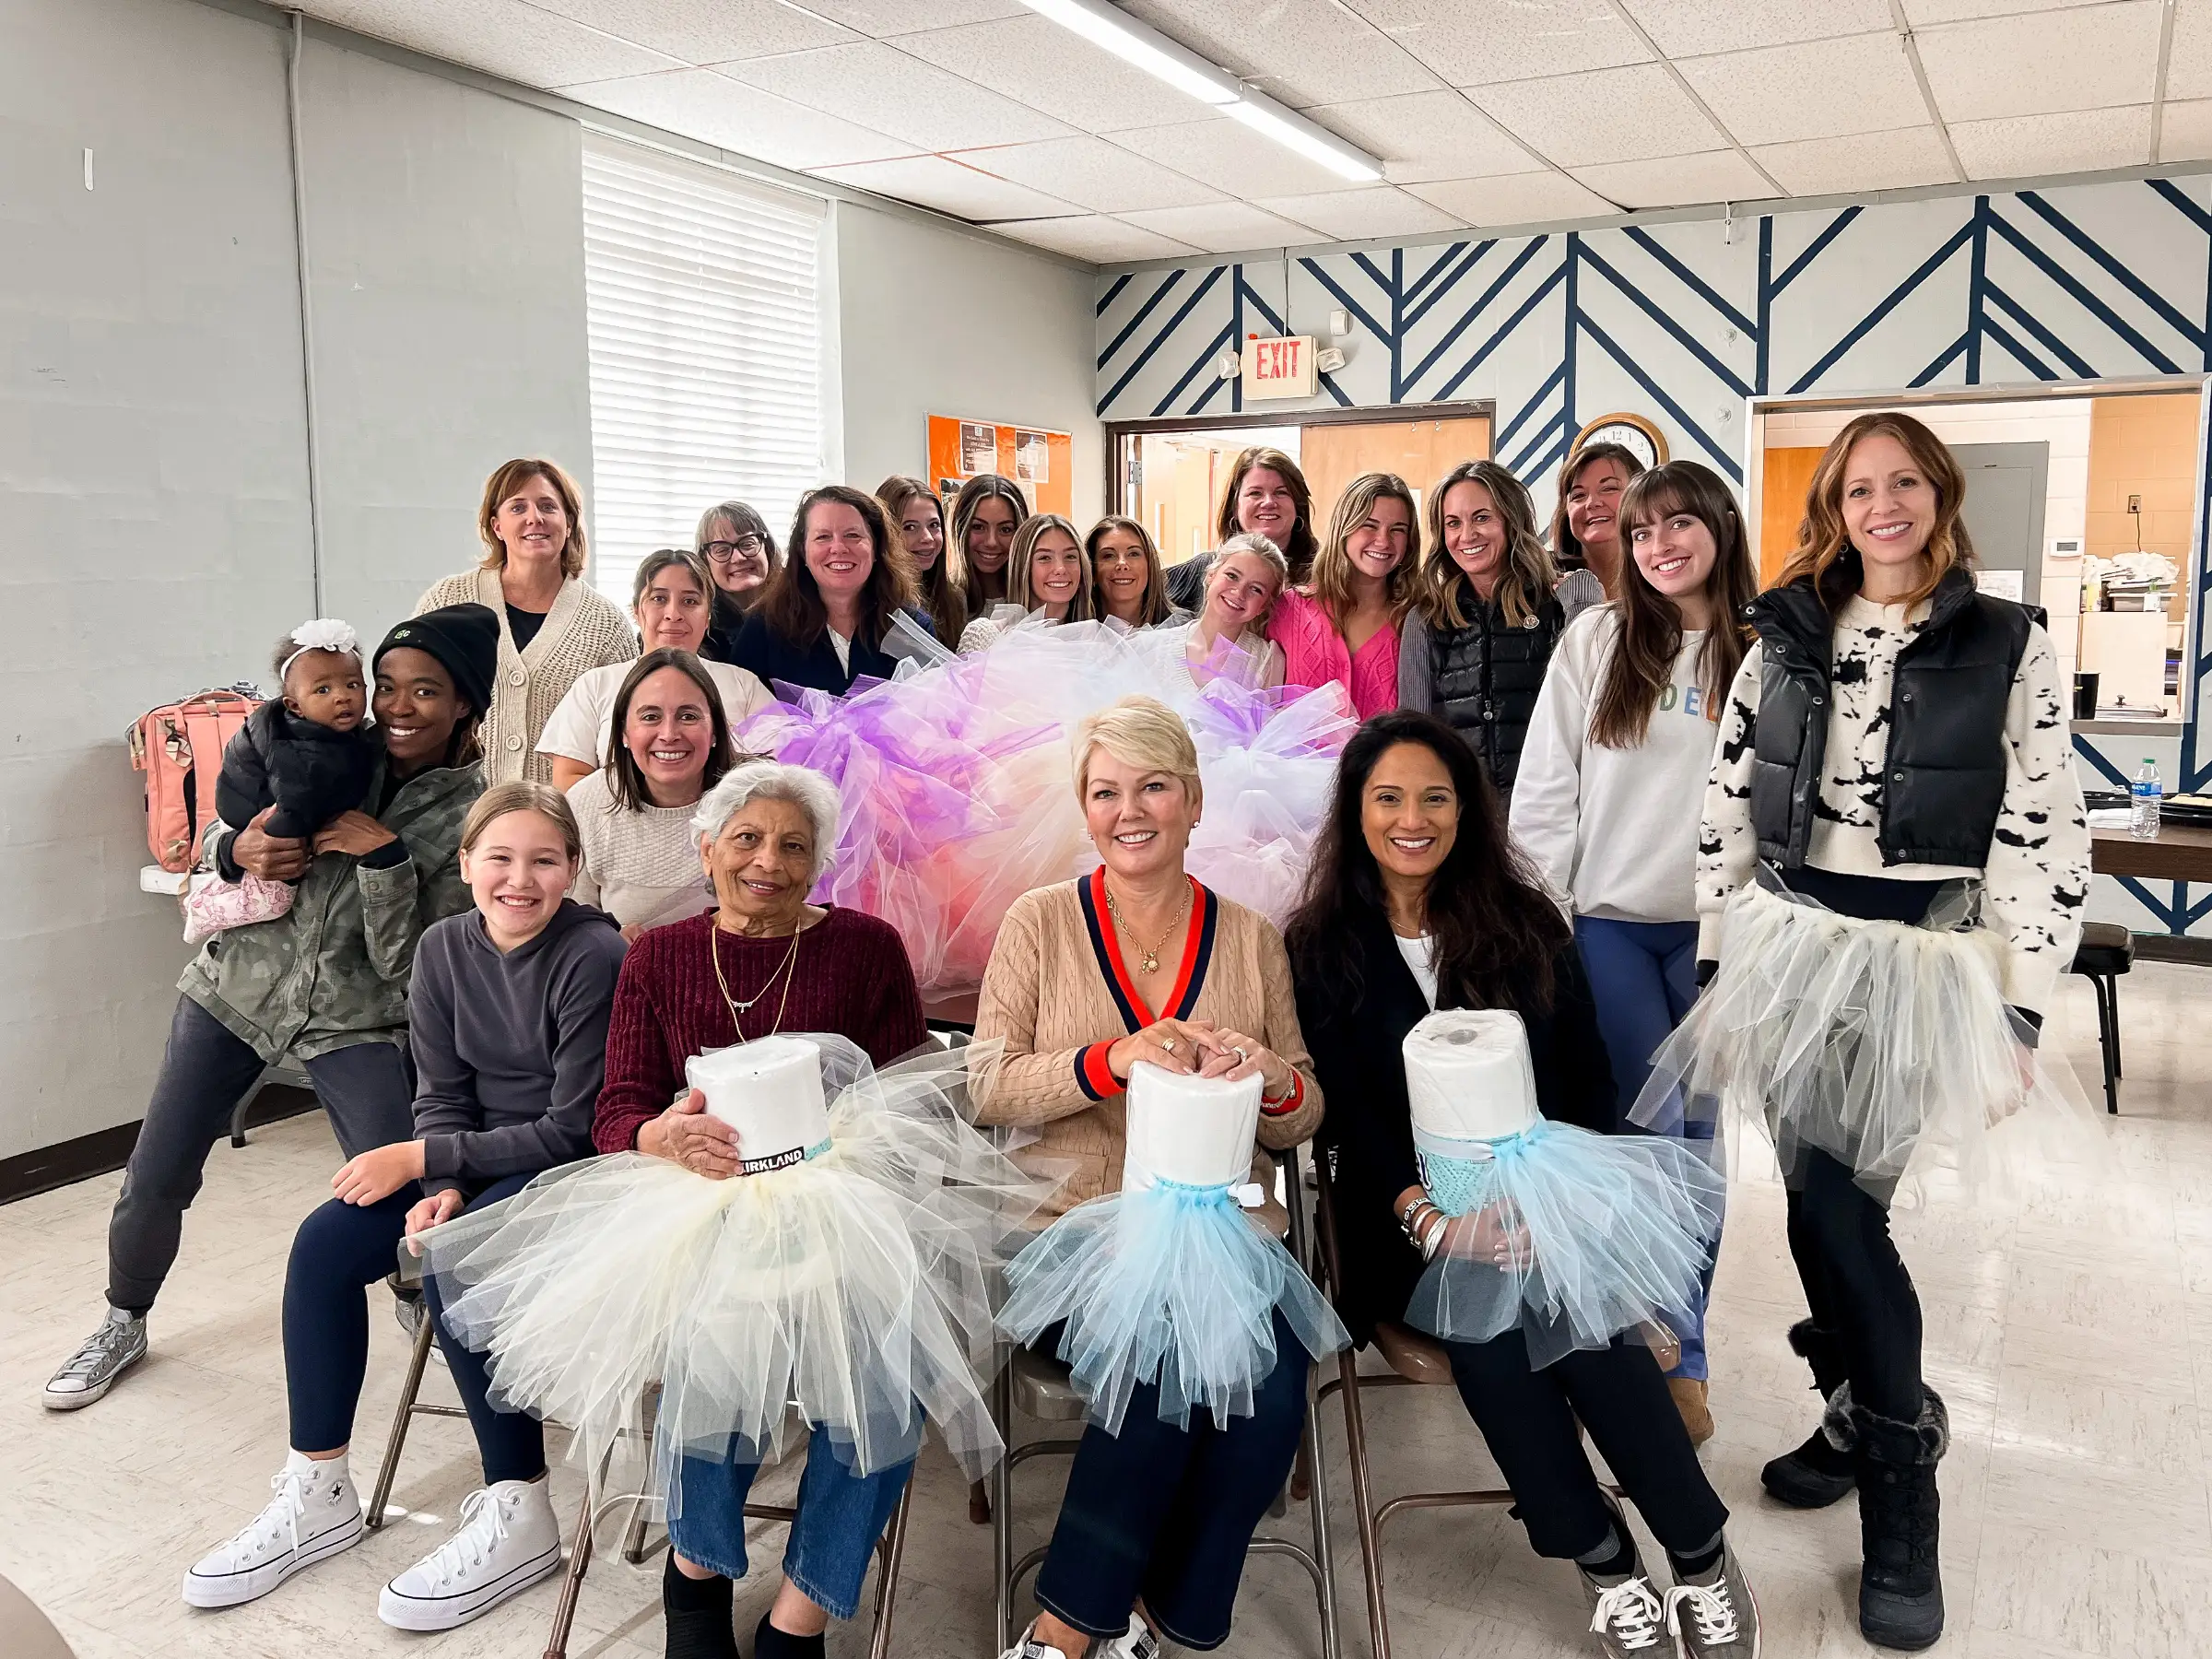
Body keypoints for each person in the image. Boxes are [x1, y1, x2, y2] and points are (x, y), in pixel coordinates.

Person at [1647, 412, 2089, 1651]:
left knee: (1846, 1209)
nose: (1880, 507)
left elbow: (2045, 830)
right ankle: (1858, 1405)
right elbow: (1727, 807)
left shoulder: (2011, 642)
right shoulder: (1783, 633)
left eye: (1902, 485)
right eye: (1856, 490)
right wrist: (1724, 966)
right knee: (1805, 1200)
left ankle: (1903, 1482)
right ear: (1832, 508)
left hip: (1922, 960)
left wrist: (2017, 1003)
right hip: (1790, 951)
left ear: (1940, 496)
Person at [449, 762, 962, 1659]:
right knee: (707, 1360)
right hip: (694, 1204)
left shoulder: (867, 948)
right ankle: (695, 1578)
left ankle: (801, 1615)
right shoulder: (660, 952)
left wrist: (857, 1140)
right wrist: (662, 1137)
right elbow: (616, 1111)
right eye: (747, 840)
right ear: (708, 848)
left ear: (819, 863)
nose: (767, 861)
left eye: (793, 846)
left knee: (886, 1386)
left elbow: (913, 1092)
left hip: (841, 1203)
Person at [1287, 713, 1759, 1659]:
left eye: (1435, 797)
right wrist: (1432, 1221)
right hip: (1404, 1225)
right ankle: (1606, 1560)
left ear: (1467, 810)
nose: (1411, 818)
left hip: (1549, 1199)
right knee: (1495, 1345)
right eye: (1388, 798)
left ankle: (1700, 1555)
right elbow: (1349, 1119)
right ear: (1356, 810)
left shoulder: (1523, 922)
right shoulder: (1319, 945)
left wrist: (1551, 1206)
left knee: (1584, 1333)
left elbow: (1585, 1084)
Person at [177, 783, 625, 1628]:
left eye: (544, 860)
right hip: (473, 1164)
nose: (519, 879)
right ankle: (319, 1490)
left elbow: (573, 1129)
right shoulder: (446, 946)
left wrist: (426, 1162)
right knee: (322, 1245)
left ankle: (521, 1509)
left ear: (573, 868)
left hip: (572, 1173)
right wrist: (440, 1183)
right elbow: (442, 1092)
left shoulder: (592, 955)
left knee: (454, 1261)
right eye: (498, 857)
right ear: (465, 865)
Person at [44, 605, 499, 1410]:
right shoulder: (323, 743)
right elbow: (225, 826)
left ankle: (419, 1305)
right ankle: (124, 1317)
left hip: (357, 1018)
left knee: (398, 1188)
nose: (395, 705)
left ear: (464, 704)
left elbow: (413, 966)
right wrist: (234, 848)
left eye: (425, 692)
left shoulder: (472, 815)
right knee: (156, 1174)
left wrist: (384, 857)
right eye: (384, 685)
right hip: (235, 992)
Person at [975, 697, 1324, 1659]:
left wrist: (1268, 1072)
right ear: (1085, 810)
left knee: (1270, 1399)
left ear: (1194, 801)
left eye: (1153, 786)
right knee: (1168, 1355)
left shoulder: (1251, 936)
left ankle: (1151, 1615)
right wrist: (1111, 1059)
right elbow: (988, 1086)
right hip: (1073, 1231)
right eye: (1105, 791)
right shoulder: (1039, 924)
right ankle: (1072, 1630)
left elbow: (1305, 1111)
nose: (1130, 809)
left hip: (1234, 1234)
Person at [1508, 460, 1759, 1442]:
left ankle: (1680, 1350)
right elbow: (1544, 790)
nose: (1660, 546)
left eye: (1679, 524)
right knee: (1637, 1139)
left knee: (1695, 1145)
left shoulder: (1766, 650)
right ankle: (1641, 1337)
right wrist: (1551, 921)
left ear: (1720, 528)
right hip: (1606, 925)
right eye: (1642, 532)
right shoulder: (1598, 639)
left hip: (1717, 936)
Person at [417, 458, 637, 783]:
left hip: (559, 817)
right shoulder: (448, 601)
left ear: (570, 521)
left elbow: (620, 736)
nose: (535, 518)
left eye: (548, 506)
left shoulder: (606, 623)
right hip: (454, 816)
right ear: (496, 527)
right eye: (518, 508)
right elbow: (412, 694)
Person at [535, 548, 771, 792]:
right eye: (659, 599)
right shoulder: (595, 685)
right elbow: (568, 780)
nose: (673, 614)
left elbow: (781, 770)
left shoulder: (744, 684)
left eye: (689, 601)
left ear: (708, 616)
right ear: (637, 611)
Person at [1396, 459, 1565, 797]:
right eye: (1453, 523)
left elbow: (1584, 714)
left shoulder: (1554, 604)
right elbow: (1415, 733)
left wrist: (1580, 594)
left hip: (1545, 807)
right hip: (1463, 811)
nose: (1467, 535)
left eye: (1482, 518)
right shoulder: (1427, 619)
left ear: (1510, 520)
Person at [571, 649, 737, 937]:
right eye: (650, 716)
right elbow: (568, 922)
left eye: (688, 716)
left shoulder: (757, 802)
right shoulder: (586, 803)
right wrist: (607, 942)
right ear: (623, 732)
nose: (669, 734)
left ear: (714, 732)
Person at [730, 486, 925, 697]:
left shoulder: (911, 625)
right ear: (802, 551)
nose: (838, 548)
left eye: (852, 535)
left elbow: (937, 714)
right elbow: (738, 716)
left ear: (876, 547)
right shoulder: (763, 627)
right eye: (823, 537)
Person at [1267, 471, 1415, 720]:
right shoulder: (1289, 609)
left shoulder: (1415, 620)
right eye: (1369, 525)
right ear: (1343, 528)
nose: (1383, 541)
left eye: (1397, 530)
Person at [1162, 446, 1317, 611]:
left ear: (1298, 505)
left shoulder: (1323, 573)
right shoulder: (1203, 568)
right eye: (1255, 493)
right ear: (1235, 507)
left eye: (1281, 492)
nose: (1269, 502)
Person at [1149, 532, 1288, 697]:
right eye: (1232, 576)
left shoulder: (1266, 660)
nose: (1239, 592)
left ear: (1263, 606)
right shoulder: (1154, 647)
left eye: (1256, 589)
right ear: (1211, 575)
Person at [959, 514, 1093, 653]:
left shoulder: (1099, 640)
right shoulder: (985, 636)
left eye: (1070, 556)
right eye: (1045, 558)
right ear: (1023, 567)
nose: (1061, 569)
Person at [1551, 442, 1646, 624]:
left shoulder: (1668, 580)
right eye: (1578, 495)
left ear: (1641, 496)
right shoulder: (1541, 586)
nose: (1592, 503)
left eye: (1609, 488)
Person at [878, 474, 966, 647]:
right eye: (910, 527)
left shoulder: (954, 599)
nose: (927, 538)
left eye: (934, 525)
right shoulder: (872, 603)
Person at [696, 500, 782, 663]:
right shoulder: (700, 631)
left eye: (747, 544)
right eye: (722, 549)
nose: (739, 558)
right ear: (705, 562)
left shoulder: (804, 607)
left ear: (767, 548)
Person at [951, 473, 1029, 620]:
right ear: (960, 529)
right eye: (978, 527)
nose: (991, 542)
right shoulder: (942, 602)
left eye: (1005, 529)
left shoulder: (1037, 599)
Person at [1087, 516, 1181, 629]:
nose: (1122, 564)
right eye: (1108, 556)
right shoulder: (1075, 633)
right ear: (1092, 569)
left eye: (1133, 554)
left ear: (1150, 565)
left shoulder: (1185, 630)